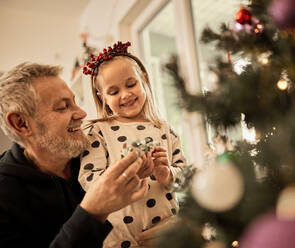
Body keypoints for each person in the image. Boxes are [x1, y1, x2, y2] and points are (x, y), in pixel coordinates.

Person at [0, 62, 148, 247]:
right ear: (21, 123)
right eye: (63, 107)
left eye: (74, 102)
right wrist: (93, 212)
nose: (82, 113)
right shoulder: (4, 197)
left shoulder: (101, 152)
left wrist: (169, 231)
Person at [78, 41, 186, 248]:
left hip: (167, 237)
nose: (125, 95)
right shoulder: (98, 131)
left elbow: (186, 175)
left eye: (130, 84)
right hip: (120, 240)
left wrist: (169, 173)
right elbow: (88, 180)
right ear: (102, 98)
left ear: (144, 80)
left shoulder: (164, 128)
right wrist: (127, 174)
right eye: (113, 91)